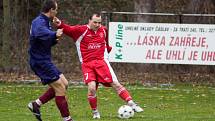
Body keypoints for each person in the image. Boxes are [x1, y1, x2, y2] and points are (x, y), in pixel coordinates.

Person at [53, 12, 143, 119]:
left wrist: (108, 49)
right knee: (91, 88)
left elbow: (106, 42)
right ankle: (95, 112)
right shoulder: (80, 30)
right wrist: (59, 24)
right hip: (87, 64)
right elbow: (67, 29)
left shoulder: (103, 30)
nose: (97, 24)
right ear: (89, 21)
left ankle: (132, 104)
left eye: (99, 22)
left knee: (115, 83)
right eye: (95, 22)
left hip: (101, 62)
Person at [27, 0, 73, 121]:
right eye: (56, 9)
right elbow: (39, 33)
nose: (57, 12)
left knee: (65, 84)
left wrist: (55, 38)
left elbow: (45, 40)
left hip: (44, 60)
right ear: (51, 10)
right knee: (60, 88)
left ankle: (36, 104)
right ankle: (67, 119)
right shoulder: (39, 21)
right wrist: (53, 34)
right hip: (39, 61)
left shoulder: (46, 22)